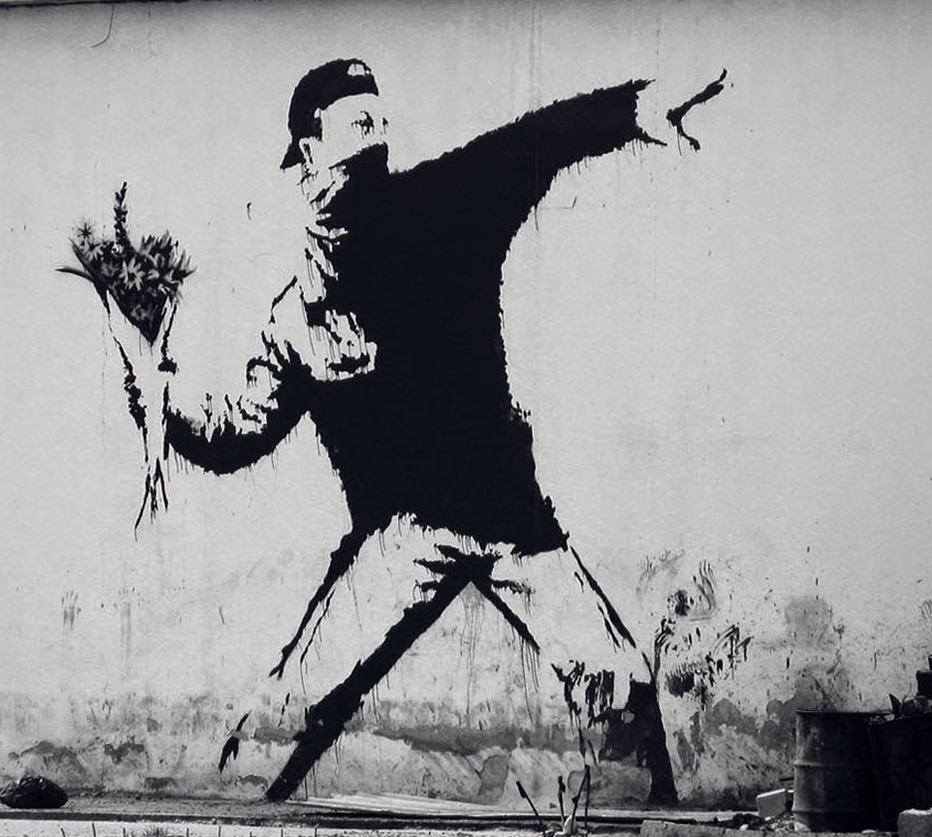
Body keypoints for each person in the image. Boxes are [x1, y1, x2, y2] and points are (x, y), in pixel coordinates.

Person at [100, 58, 725, 799]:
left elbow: (534, 140)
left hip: (511, 520)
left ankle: (641, 822)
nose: (375, 137)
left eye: (380, 122)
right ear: (310, 150)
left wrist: (633, 110)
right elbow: (239, 434)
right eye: (356, 123)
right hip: (400, 538)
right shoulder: (299, 313)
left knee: (620, 687)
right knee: (283, 718)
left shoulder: (443, 202)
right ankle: (235, 821)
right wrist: (158, 399)